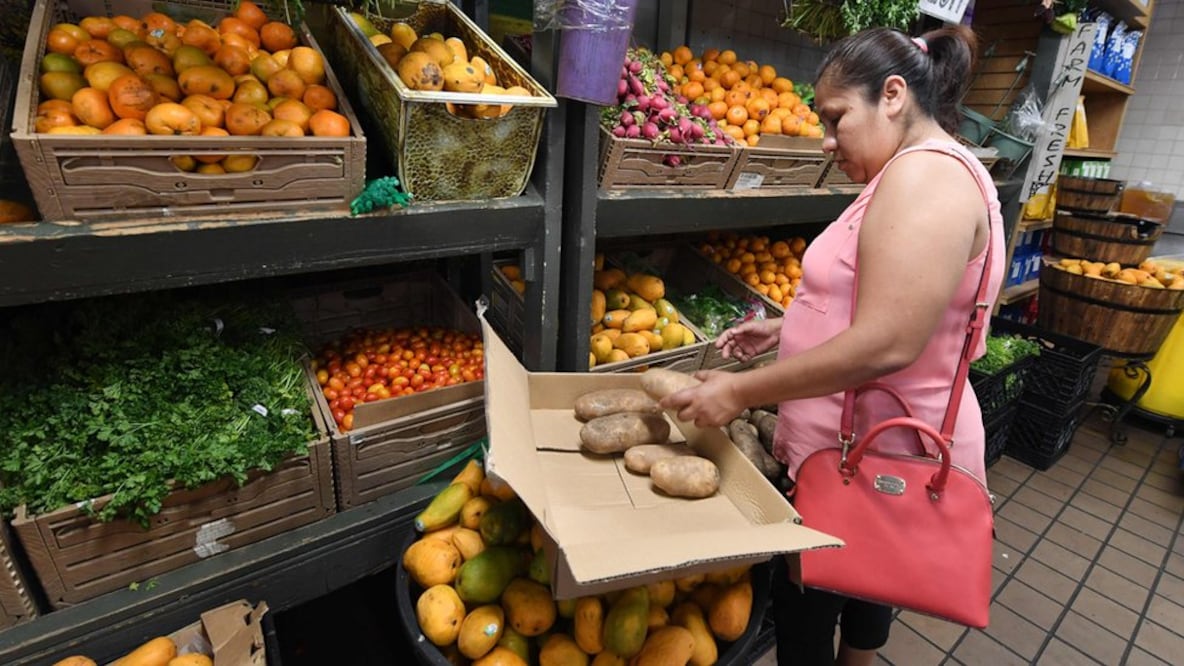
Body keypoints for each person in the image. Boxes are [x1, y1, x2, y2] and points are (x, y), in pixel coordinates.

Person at [661, 25, 1004, 666]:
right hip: (877, 450)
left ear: (893, 95)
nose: (825, 138)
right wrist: (789, 327)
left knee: (809, 611)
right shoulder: (914, 172)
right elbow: (886, 304)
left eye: (837, 117)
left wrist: (738, 389)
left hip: (871, 457)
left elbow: (888, 343)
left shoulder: (926, 178)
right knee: (871, 580)